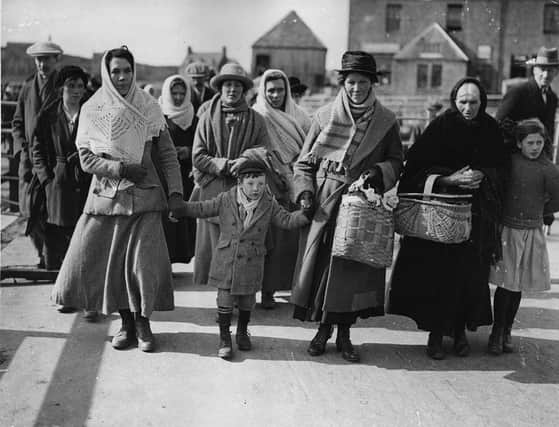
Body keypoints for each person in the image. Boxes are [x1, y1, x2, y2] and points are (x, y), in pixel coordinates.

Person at [52, 46, 184, 352]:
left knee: (143, 264)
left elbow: (166, 155)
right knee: (114, 266)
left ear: (133, 71)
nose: (122, 77)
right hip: (107, 199)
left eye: (126, 70)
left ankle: (143, 323)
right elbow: (86, 160)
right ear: (106, 73)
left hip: (147, 199)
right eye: (116, 71)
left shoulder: (150, 106)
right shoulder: (93, 108)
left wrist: (176, 192)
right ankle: (125, 323)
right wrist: (121, 168)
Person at [291, 51, 404, 363]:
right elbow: (303, 163)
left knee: (351, 269)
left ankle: (343, 333)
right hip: (326, 200)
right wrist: (305, 193)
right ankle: (323, 330)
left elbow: (397, 160)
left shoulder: (386, 120)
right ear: (343, 82)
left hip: (360, 201)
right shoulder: (324, 116)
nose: (357, 88)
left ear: (372, 84)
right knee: (324, 266)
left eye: (363, 82)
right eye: (351, 82)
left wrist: (377, 173)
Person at [388, 77, 505, 360]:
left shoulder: (490, 129)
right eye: (462, 101)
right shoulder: (440, 127)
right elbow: (414, 166)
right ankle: (436, 334)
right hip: (441, 213)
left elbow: (501, 168)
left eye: (473, 102)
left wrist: (483, 175)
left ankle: (461, 332)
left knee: (469, 276)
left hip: (475, 215)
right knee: (440, 276)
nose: (467, 107)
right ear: (454, 100)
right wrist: (447, 179)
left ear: (482, 102)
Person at [173, 160, 310, 359]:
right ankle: (224, 337)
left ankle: (242, 331)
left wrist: (306, 215)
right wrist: (181, 208)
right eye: (251, 184)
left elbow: (287, 220)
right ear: (240, 182)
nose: (256, 189)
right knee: (225, 300)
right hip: (227, 259)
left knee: (247, 302)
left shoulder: (269, 204)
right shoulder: (225, 199)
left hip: (252, 262)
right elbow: (203, 208)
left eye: (261, 184)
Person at [190, 62, 268, 287]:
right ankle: (222, 296)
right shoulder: (206, 118)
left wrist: (246, 160)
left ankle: (236, 293)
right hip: (214, 189)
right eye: (227, 85)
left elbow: (265, 150)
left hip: (244, 192)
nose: (232, 90)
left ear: (244, 90)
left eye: (237, 86)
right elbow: (198, 155)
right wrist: (222, 164)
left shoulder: (256, 119)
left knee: (241, 245)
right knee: (217, 247)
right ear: (220, 88)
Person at [488, 119, 559, 355]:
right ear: (519, 143)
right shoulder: (510, 163)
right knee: (506, 285)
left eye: (539, 142)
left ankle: (507, 329)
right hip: (508, 229)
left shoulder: (548, 168)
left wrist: (544, 209)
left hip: (531, 231)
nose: (535, 147)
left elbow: (557, 197)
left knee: (517, 286)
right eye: (530, 142)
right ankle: (497, 331)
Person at [31, 65, 93, 314]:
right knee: (58, 236)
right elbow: (36, 149)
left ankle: (88, 297)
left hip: (86, 179)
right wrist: (46, 179)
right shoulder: (48, 116)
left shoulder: (91, 113)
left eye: (80, 86)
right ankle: (65, 294)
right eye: (71, 85)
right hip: (57, 181)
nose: (77, 91)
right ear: (61, 88)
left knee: (86, 238)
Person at [252, 69, 311, 308]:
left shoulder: (301, 116)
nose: (275, 95)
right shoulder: (258, 114)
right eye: (271, 90)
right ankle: (266, 289)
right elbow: (254, 147)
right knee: (269, 238)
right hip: (268, 180)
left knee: (292, 239)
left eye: (280, 90)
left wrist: (296, 167)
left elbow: (310, 145)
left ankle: (292, 287)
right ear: (263, 92)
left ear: (287, 90)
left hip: (296, 178)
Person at [12, 40, 63, 269]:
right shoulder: (27, 87)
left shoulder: (63, 87)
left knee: (53, 208)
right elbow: (17, 122)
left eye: (47, 59)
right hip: (29, 160)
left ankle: (50, 255)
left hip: (53, 159)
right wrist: (21, 147)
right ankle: (40, 251)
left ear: (56, 60)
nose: (43, 64)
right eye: (39, 59)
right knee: (29, 210)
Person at [158, 74, 197, 264]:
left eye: (182, 93)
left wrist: (189, 151)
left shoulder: (194, 117)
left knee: (184, 217)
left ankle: (180, 256)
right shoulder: (159, 116)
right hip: (167, 175)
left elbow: (201, 144)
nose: (179, 97)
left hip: (188, 173)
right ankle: (166, 261)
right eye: (174, 93)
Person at [496, 47, 559, 160]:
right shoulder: (518, 91)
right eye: (542, 69)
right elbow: (499, 122)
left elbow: (549, 131)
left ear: (556, 73)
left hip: (541, 158)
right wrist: (525, 132)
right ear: (534, 70)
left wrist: (547, 157)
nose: (545, 75)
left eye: (550, 70)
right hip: (516, 155)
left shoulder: (552, 98)